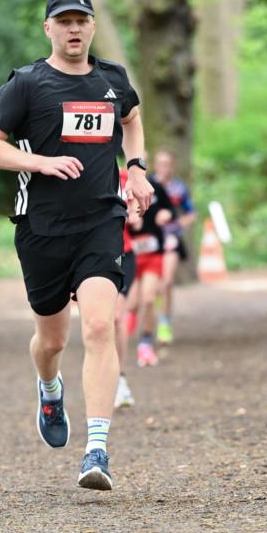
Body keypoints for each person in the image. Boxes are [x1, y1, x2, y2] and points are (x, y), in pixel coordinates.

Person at [0, 0, 153, 491]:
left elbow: (132, 118)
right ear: (48, 28)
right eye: (64, 21)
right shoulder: (28, 84)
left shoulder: (113, 80)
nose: (74, 29)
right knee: (52, 340)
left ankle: (96, 449)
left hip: (101, 220)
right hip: (42, 229)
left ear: (92, 26)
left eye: (82, 20)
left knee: (99, 326)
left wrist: (135, 169)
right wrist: (40, 162)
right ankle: (49, 388)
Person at [125, 166, 176, 367]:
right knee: (133, 303)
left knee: (148, 299)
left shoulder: (154, 187)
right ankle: (125, 330)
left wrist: (165, 214)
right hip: (131, 254)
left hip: (153, 254)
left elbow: (169, 209)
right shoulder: (120, 187)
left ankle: (146, 342)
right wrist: (128, 220)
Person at [152, 149, 196, 345]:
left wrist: (176, 224)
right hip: (150, 241)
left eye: (167, 164)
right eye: (160, 164)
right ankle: (144, 317)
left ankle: (164, 323)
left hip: (171, 238)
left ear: (173, 166)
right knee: (152, 286)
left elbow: (191, 214)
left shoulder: (179, 188)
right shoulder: (147, 184)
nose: (163, 168)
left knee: (167, 282)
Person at [114, 167, 138, 408]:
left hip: (123, 252)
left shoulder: (123, 176)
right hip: (91, 254)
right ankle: (104, 375)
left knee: (116, 317)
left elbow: (137, 214)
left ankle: (120, 379)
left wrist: (134, 213)